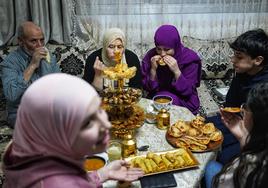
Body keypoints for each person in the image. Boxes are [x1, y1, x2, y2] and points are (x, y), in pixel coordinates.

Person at [2, 73, 144, 188]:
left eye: (100, 111)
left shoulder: (29, 156)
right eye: (88, 122)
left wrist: (102, 174)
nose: (107, 124)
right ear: (55, 133)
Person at [207, 28, 268, 164]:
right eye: (234, 54)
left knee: (224, 158)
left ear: (258, 60)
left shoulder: (264, 89)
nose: (232, 60)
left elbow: (259, 128)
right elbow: (230, 104)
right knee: (202, 127)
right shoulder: (241, 73)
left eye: (239, 57)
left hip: (254, 133)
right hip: (235, 120)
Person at [205, 82, 268, 188]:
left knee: (210, 166)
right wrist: (243, 137)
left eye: (246, 107)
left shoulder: (252, 166)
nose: (243, 110)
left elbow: (221, 183)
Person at [0, 21, 60, 128]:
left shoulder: (50, 57)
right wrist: (32, 65)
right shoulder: (10, 62)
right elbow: (11, 95)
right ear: (21, 41)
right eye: (33, 41)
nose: (40, 45)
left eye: (42, 40)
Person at [141, 24, 201, 115]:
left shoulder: (189, 58)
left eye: (167, 49)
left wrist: (176, 71)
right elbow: (149, 89)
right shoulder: (151, 56)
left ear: (175, 45)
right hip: (158, 96)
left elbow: (188, 91)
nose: (162, 54)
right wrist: (153, 70)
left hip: (183, 99)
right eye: (159, 49)